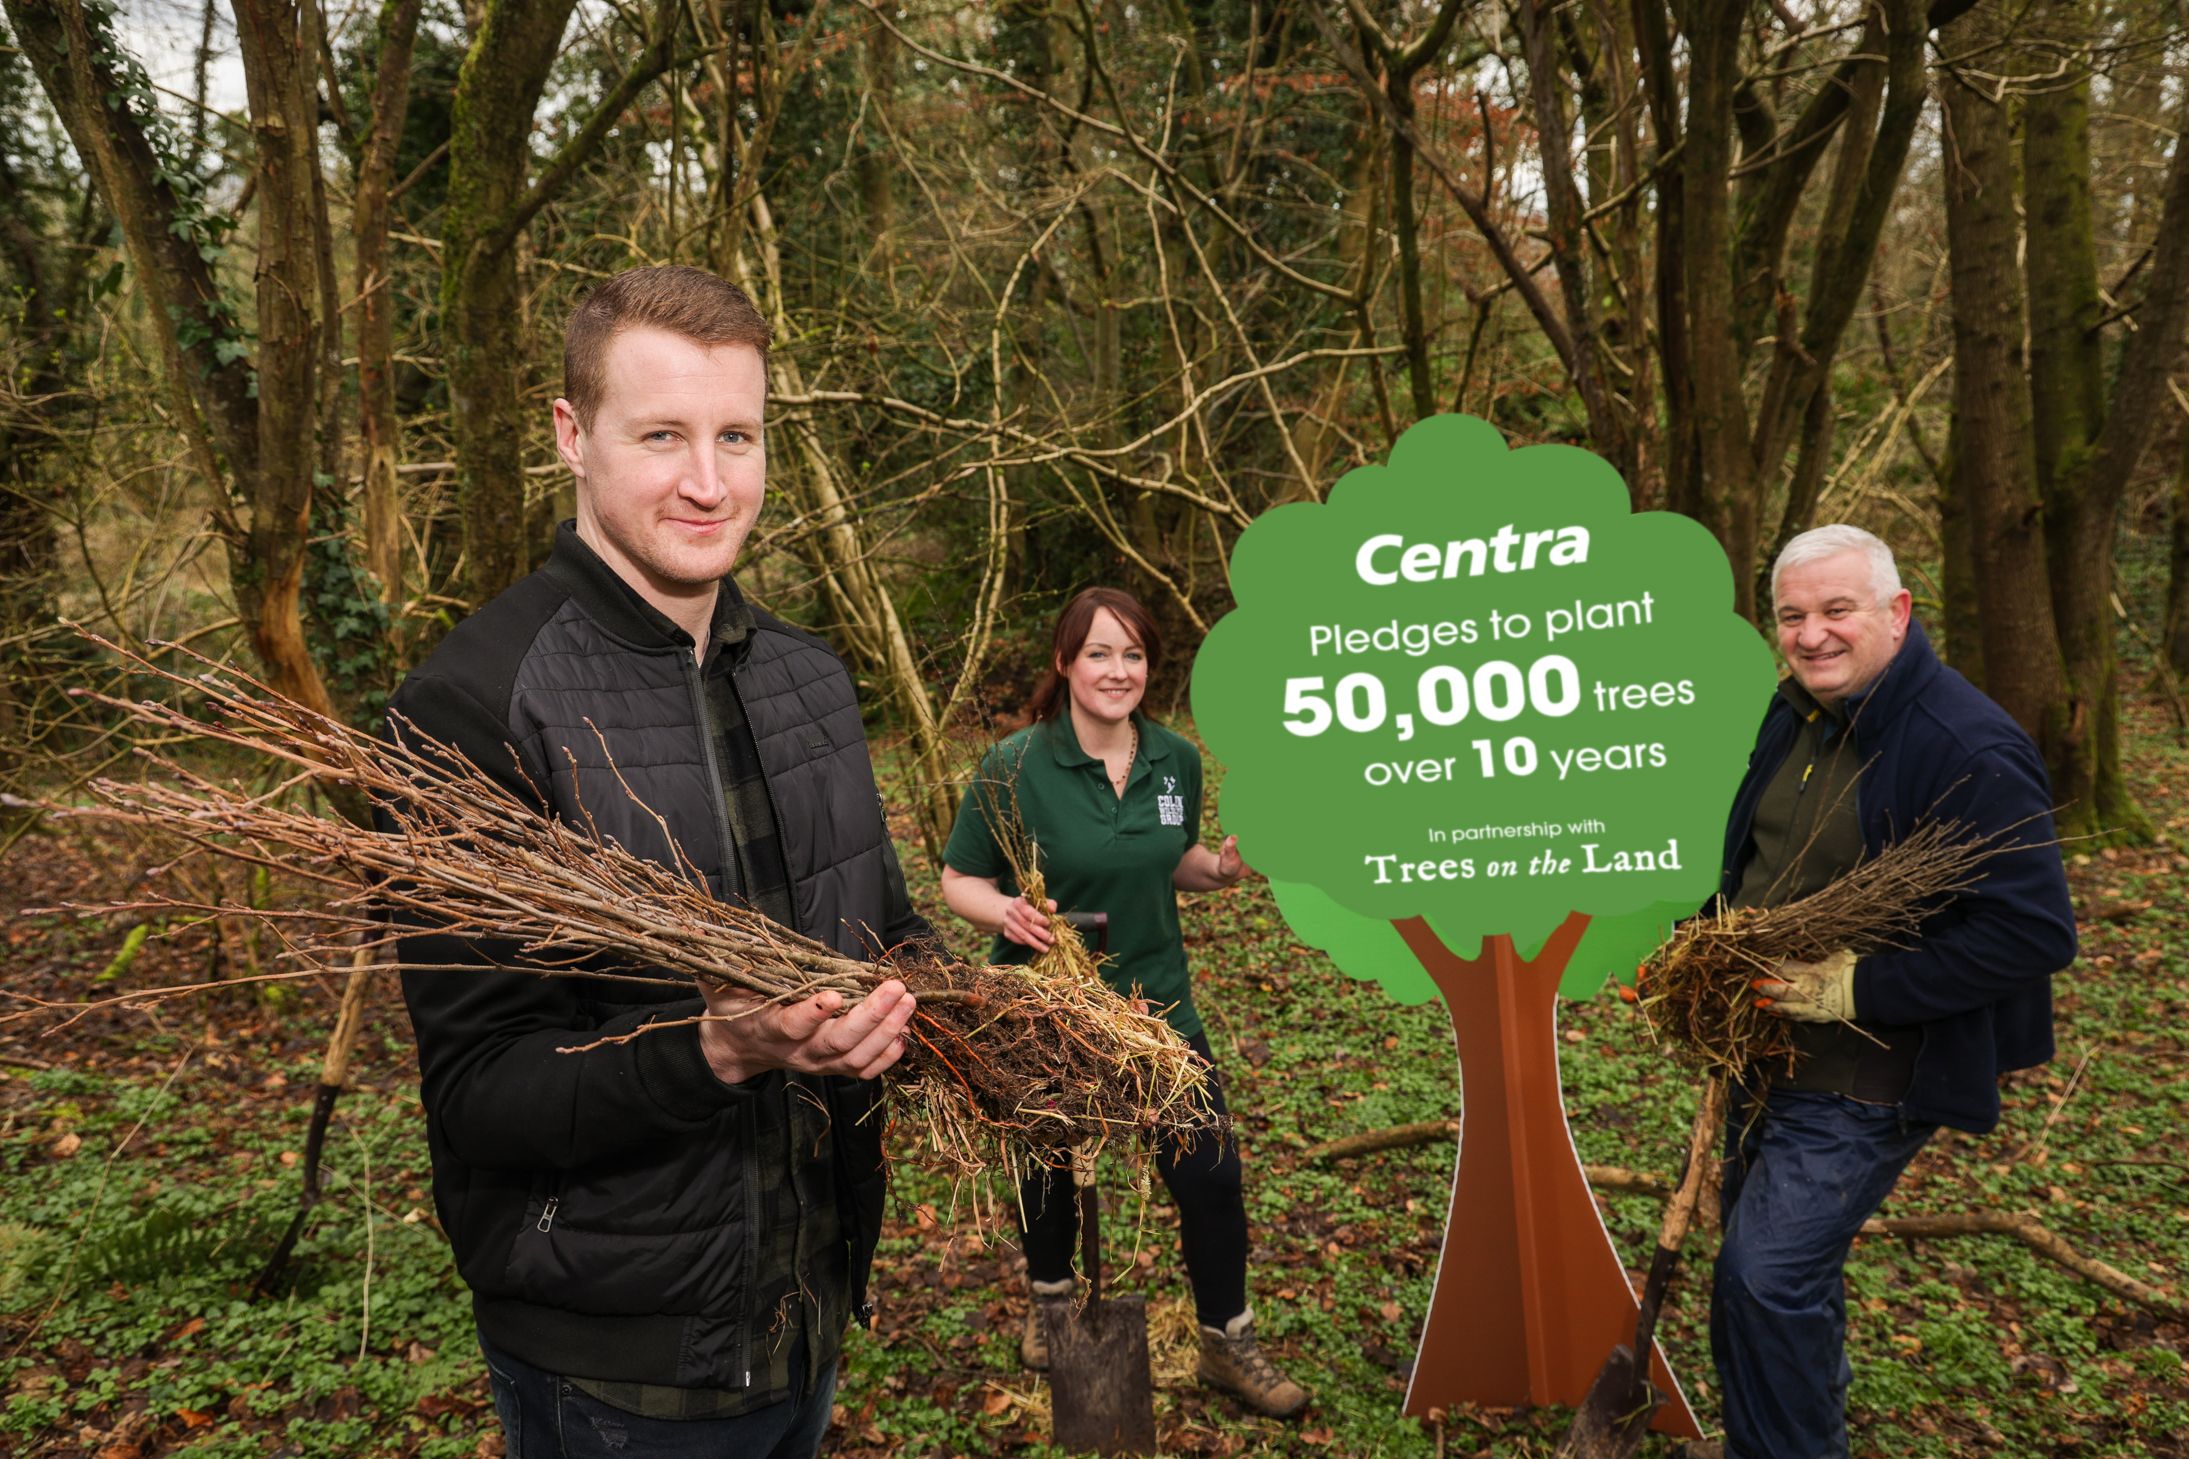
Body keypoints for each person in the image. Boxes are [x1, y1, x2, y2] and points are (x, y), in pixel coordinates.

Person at [383, 265, 933, 1459]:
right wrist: (719, 1048)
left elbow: (883, 925)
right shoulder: (469, 707)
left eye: (737, 435)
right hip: (615, 1380)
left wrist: (960, 1007)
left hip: (810, 1318)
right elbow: (480, 1096)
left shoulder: (810, 678)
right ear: (571, 435)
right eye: (663, 435)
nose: (708, 480)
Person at [1704, 524, 2076, 1459]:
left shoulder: (1966, 745)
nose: (1812, 634)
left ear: (1897, 612)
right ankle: (1782, 1434)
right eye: (1791, 616)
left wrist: (1853, 988)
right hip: (1768, 1041)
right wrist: (1709, 944)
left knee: (1763, 1277)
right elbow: (1762, 852)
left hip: (1872, 1067)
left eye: (1837, 610)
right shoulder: (1796, 713)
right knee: (1783, 1273)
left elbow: (2033, 932)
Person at [938, 587, 1309, 1420]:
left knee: (1209, 1172)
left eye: (1133, 654)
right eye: (1099, 653)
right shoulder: (1013, 764)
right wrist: (1005, 911)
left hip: (1156, 1009)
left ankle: (1226, 1339)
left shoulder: (1174, 757)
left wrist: (1216, 870)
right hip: (1048, 1010)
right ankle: (1051, 1305)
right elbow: (958, 878)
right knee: (1049, 1167)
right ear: (1065, 662)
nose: (1117, 670)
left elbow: (1169, 857)